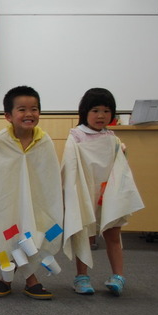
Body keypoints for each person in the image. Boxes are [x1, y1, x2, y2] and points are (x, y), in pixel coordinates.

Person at [0, 86, 63, 300]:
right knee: (6, 232)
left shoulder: (44, 142)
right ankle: (8, 278)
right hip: (6, 200)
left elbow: (49, 176)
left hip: (36, 202)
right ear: (8, 116)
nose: (29, 114)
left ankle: (28, 280)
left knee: (33, 232)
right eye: (22, 109)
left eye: (34, 109)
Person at [62, 88, 143, 296]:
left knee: (113, 234)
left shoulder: (112, 138)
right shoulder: (77, 136)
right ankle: (81, 277)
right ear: (85, 112)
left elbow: (119, 167)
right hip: (85, 193)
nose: (101, 116)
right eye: (95, 110)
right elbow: (70, 166)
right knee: (85, 235)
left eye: (106, 111)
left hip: (108, 193)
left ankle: (118, 276)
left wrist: (122, 153)